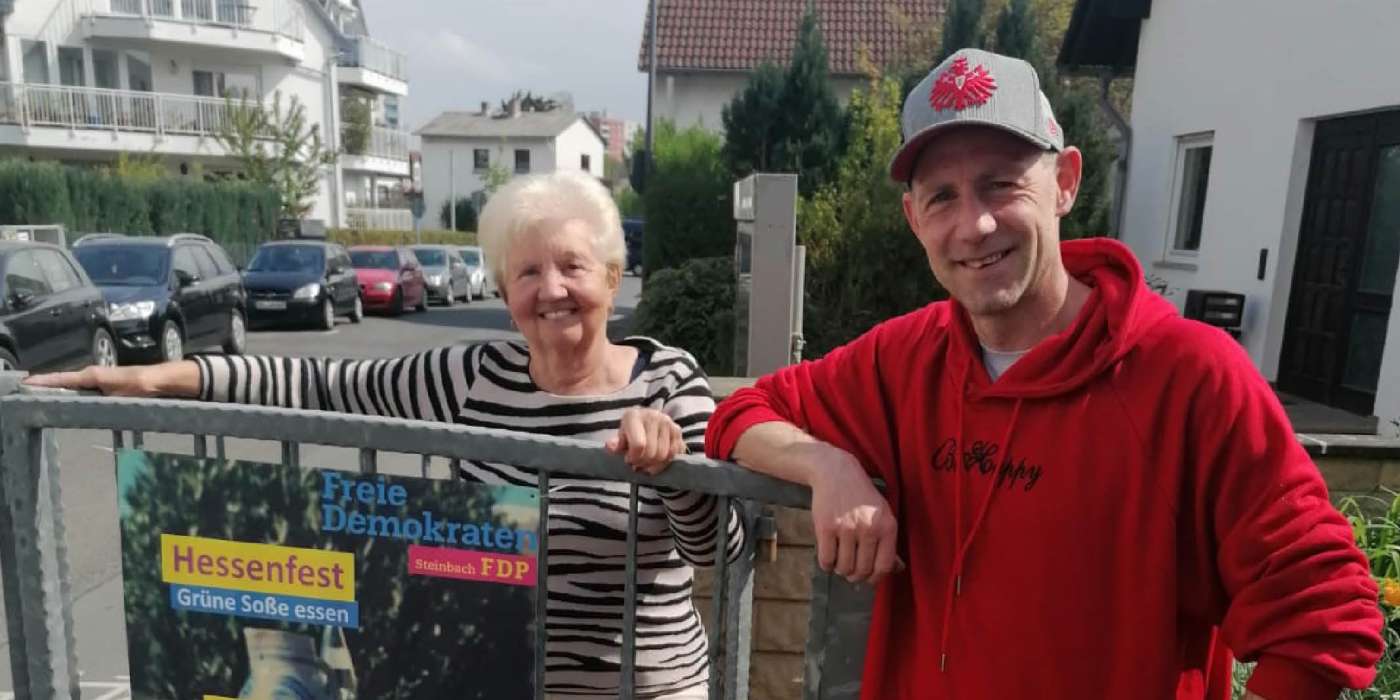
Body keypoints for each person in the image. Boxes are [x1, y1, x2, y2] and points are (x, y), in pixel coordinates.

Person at [703, 48, 1383, 700]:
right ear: (913, 218)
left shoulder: (1189, 375)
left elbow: (1325, 608)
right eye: (942, 197)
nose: (975, 224)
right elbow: (740, 415)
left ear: (1065, 183)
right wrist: (828, 466)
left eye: (1001, 184)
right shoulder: (904, 358)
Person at [32, 171, 743, 699]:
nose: (551, 289)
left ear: (613, 280)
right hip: (505, 682)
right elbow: (317, 384)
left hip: (648, 688)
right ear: (505, 295)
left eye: (572, 266)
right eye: (528, 272)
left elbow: (721, 547)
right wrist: (153, 377)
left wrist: (673, 467)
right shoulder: (474, 377)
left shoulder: (666, 379)